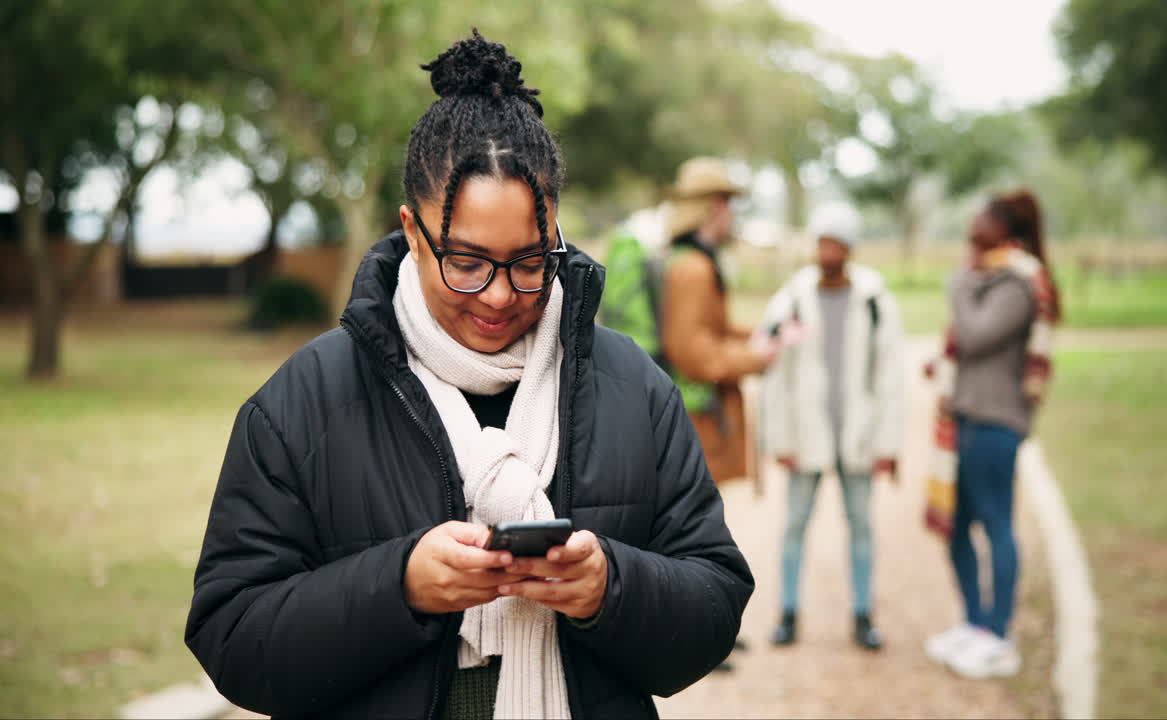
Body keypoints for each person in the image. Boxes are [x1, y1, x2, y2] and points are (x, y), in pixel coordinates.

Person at [184, 31, 753, 720]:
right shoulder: (301, 402)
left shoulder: (635, 388)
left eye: (529, 261)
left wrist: (612, 586)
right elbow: (232, 637)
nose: (497, 295)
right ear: (410, 232)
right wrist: (399, 588)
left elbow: (715, 605)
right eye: (465, 260)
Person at [923, 190, 1061, 679]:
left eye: (983, 216)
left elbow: (979, 335)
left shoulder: (1020, 283)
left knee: (996, 523)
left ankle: (999, 636)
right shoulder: (991, 277)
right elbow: (968, 347)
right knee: (958, 526)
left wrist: (960, 282)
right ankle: (975, 624)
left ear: (1006, 228)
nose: (973, 221)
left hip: (994, 424)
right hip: (965, 419)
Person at [759, 201, 905, 651]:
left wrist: (887, 443)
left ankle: (862, 615)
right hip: (807, 437)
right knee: (794, 527)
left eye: (834, 244)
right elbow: (775, 374)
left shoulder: (876, 301)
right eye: (821, 242)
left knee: (861, 528)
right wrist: (780, 438)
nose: (826, 252)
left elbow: (890, 378)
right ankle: (788, 613)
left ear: (849, 249)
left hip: (858, 438)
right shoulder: (792, 298)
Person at [660, 156, 776, 488]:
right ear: (715, 206)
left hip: (696, 419)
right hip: (695, 422)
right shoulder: (692, 268)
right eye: (729, 203)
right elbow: (695, 354)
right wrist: (758, 358)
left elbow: (711, 327)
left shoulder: (688, 259)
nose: (732, 213)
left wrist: (763, 334)